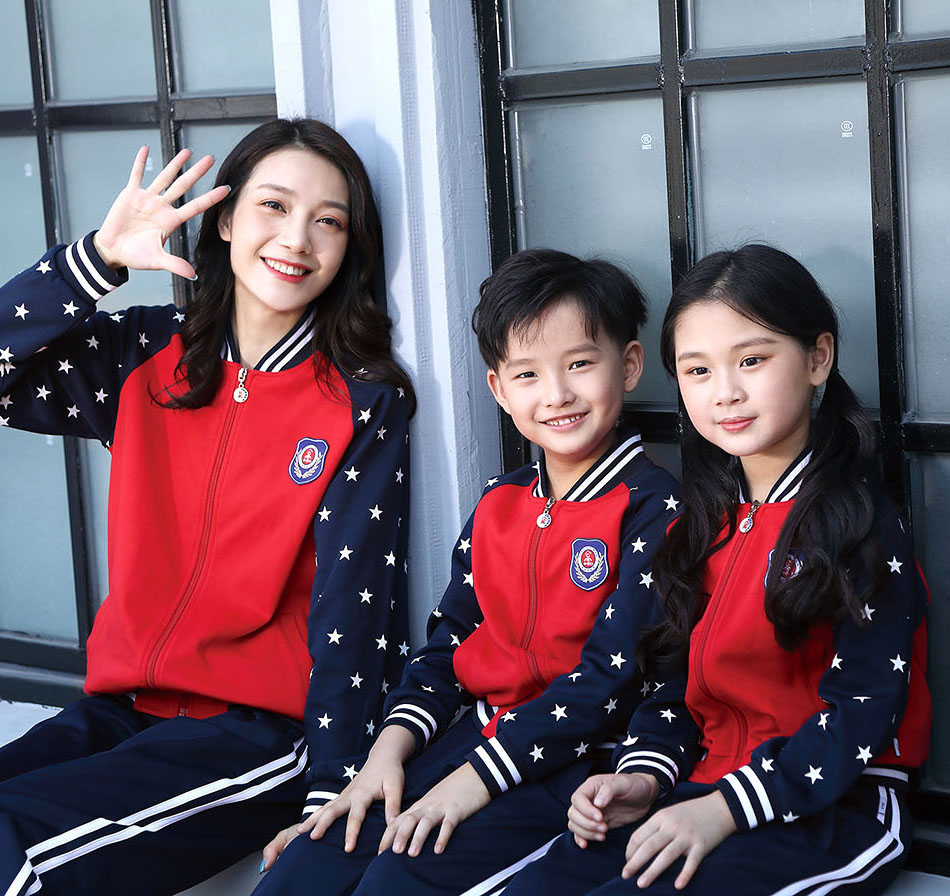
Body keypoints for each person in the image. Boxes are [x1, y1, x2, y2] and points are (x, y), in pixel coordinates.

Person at [0, 118, 414, 895]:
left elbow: (353, 605)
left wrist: (331, 788)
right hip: (122, 708)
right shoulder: (146, 355)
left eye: (329, 221)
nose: (297, 239)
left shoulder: (359, 402)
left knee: (10, 844)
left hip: (256, 733)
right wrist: (95, 262)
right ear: (224, 221)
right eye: (273, 206)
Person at [502, 244, 932, 895]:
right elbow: (675, 687)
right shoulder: (701, 525)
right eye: (697, 370)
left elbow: (862, 712)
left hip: (833, 809)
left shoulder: (858, 525)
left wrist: (724, 809)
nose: (725, 391)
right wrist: (642, 777)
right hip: (699, 789)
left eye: (752, 360)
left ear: (817, 358)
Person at [253, 247, 681, 896]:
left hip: (577, 764)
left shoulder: (655, 508)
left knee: (399, 877)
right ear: (499, 390)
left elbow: (608, 680)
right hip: (473, 741)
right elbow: (448, 647)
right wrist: (383, 758)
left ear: (628, 365)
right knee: (307, 864)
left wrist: (472, 781)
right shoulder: (498, 503)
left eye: (580, 364)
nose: (558, 394)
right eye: (528, 374)